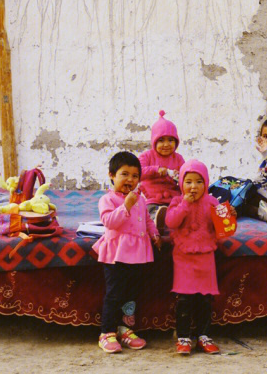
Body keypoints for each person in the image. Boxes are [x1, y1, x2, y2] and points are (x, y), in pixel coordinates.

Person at [93, 151, 161, 353]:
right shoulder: (108, 199)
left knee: (131, 294)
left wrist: (155, 234)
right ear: (112, 175)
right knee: (114, 294)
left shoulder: (140, 199)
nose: (130, 180)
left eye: (134, 176)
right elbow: (109, 222)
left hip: (138, 254)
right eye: (124, 174)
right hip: (116, 255)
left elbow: (147, 220)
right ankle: (107, 332)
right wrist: (126, 205)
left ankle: (125, 329)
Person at [164, 160, 222, 356]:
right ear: (181, 183)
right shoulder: (177, 201)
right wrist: (185, 204)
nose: (193, 187)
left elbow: (224, 230)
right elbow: (171, 222)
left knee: (205, 298)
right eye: (188, 182)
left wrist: (228, 216)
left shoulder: (213, 202)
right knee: (185, 299)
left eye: (199, 181)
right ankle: (183, 338)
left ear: (206, 183)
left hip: (206, 256)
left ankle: (203, 336)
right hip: (184, 257)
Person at [138, 110, 185, 231]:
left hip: (173, 199)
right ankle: (156, 221)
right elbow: (138, 172)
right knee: (149, 211)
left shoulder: (178, 159)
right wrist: (156, 170)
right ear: (154, 141)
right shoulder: (146, 156)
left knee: (180, 211)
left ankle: (171, 220)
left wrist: (179, 176)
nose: (166, 144)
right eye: (161, 140)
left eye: (170, 140)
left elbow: (186, 178)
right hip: (153, 199)